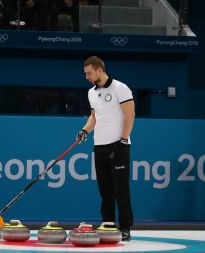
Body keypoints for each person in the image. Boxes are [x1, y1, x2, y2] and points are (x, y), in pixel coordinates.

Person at [76, 56, 135, 241]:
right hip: (99, 146)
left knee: (121, 190)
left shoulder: (120, 88)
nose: (86, 77)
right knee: (105, 191)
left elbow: (130, 114)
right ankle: (109, 224)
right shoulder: (91, 92)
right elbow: (94, 116)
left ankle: (125, 227)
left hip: (118, 146)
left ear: (99, 70)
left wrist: (123, 140)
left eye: (89, 73)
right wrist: (84, 130)